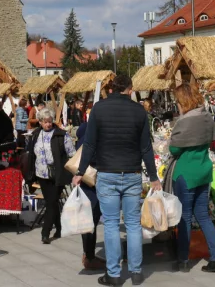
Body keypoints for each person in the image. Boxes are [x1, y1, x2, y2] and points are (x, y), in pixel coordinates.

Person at [73, 73, 161, 287]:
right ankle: (136, 272)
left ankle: (113, 274)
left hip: (107, 173)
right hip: (132, 173)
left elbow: (90, 144)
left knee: (111, 224)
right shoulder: (139, 111)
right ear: (129, 89)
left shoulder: (98, 109)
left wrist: (80, 171)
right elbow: (146, 148)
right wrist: (153, 177)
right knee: (132, 223)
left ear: (112, 88)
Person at [170, 84, 215, 274]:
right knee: (203, 216)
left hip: (186, 171)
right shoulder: (206, 117)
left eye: (177, 100)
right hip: (203, 169)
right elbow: (213, 140)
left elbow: (174, 149)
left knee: (184, 216)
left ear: (183, 100)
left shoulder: (184, 121)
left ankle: (183, 259)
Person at [28, 107, 76, 244]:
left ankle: (45, 232)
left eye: (50, 121)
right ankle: (59, 228)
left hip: (58, 173)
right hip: (41, 173)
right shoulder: (36, 134)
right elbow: (31, 153)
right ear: (40, 122)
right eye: (45, 122)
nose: (48, 124)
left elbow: (71, 153)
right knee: (52, 203)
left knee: (51, 203)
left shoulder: (61, 135)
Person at [75, 119, 105, 272]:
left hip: (85, 185)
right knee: (90, 220)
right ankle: (89, 257)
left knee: (88, 221)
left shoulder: (82, 135)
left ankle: (88, 254)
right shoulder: (90, 137)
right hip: (90, 184)